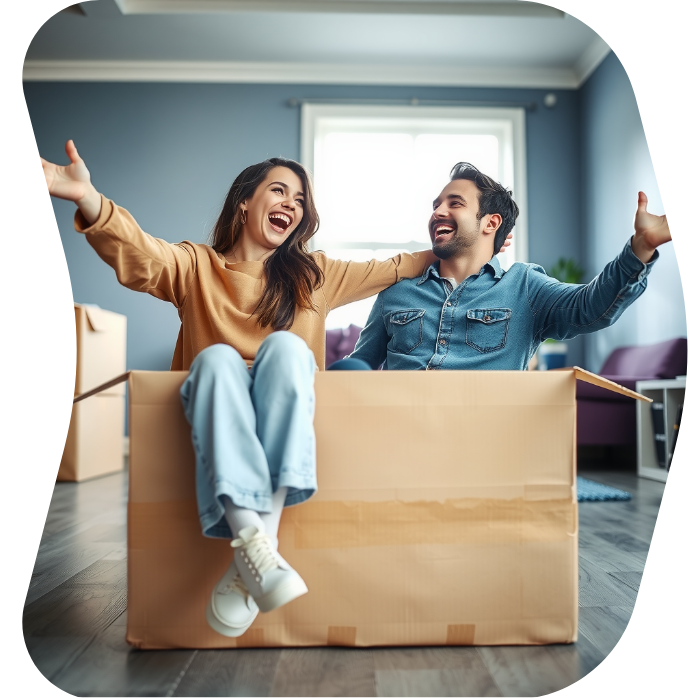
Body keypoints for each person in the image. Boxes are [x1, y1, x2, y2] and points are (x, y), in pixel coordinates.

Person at [43, 142, 511, 639]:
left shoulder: (316, 276)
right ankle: (258, 547)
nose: (292, 203)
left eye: (301, 199)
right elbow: (139, 252)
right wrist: (88, 198)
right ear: (245, 201)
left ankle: (251, 556)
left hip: (287, 403)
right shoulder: (194, 266)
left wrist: (478, 247)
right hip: (213, 402)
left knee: (288, 352)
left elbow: (398, 265)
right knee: (219, 359)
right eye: (279, 190)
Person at [342, 162, 671, 371]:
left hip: (483, 439)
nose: (437, 212)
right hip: (401, 436)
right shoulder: (396, 293)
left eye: (454, 203)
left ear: (490, 222)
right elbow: (360, 367)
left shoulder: (525, 286)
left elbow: (590, 308)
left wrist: (640, 248)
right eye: (435, 205)